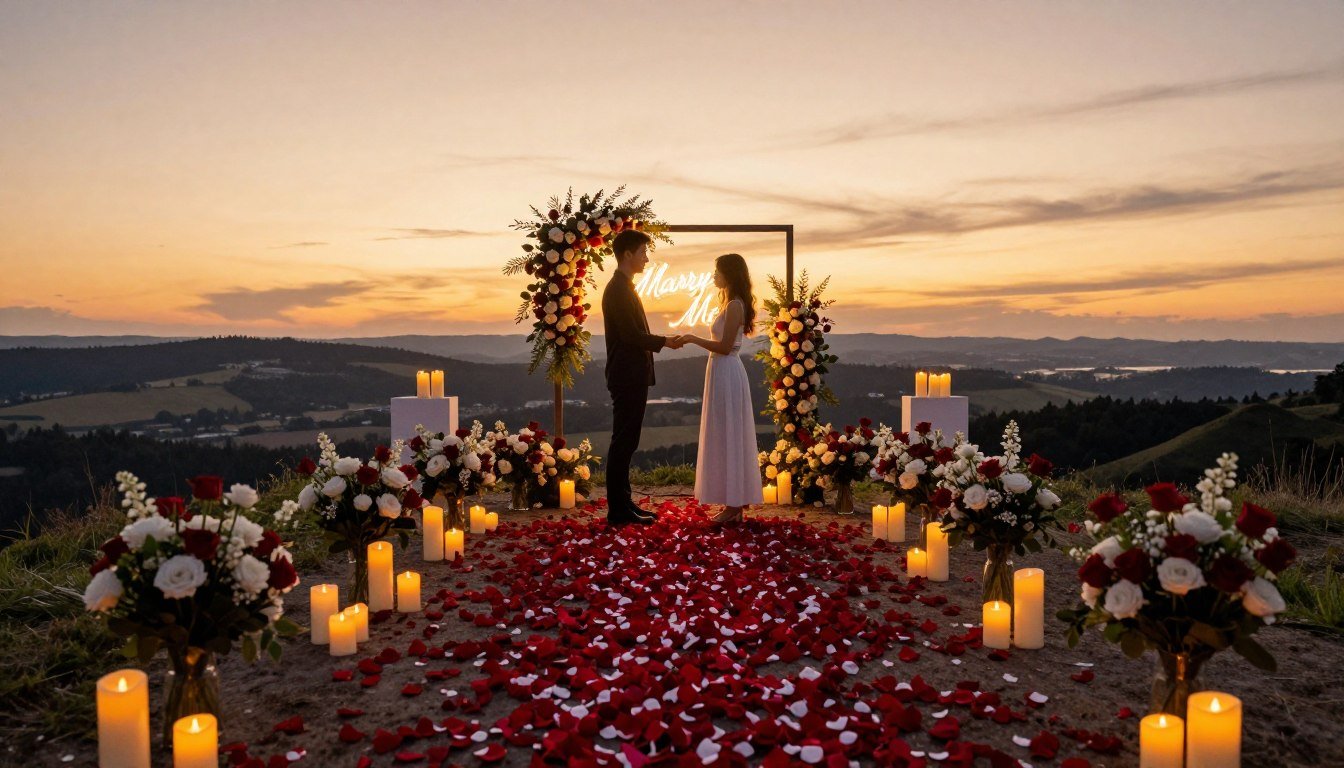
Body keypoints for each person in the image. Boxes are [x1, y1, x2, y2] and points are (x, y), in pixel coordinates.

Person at [601, 229, 684, 526]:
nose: (647, 259)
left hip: (631, 375)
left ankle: (624, 505)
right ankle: (618, 510)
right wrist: (665, 342)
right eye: (643, 253)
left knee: (627, 441)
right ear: (628, 255)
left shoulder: (625, 286)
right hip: (626, 376)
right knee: (623, 441)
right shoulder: (618, 290)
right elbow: (630, 335)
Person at [677, 253, 764, 524]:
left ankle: (734, 504)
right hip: (720, 371)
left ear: (729, 273)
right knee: (724, 432)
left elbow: (725, 347)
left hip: (726, 370)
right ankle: (732, 502)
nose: (713, 275)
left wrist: (693, 338)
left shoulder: (735, 305)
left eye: (717, 271)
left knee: (729, 432)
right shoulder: (730, 303)